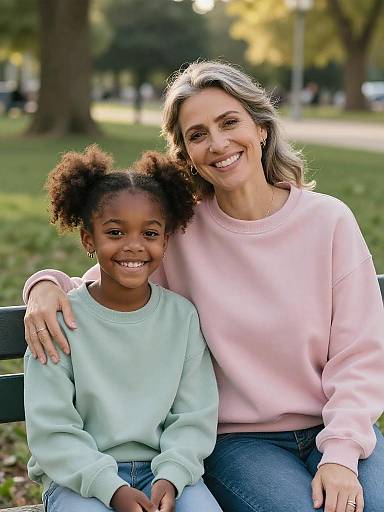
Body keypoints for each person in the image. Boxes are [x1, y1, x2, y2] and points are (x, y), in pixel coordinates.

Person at [23, 61, 384, 512]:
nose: (218, 144)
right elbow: (104, 283)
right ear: (186, 154)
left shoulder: (329, 221)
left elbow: (361, 354)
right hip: (238, 442)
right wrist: (42, 285)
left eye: (229, 123)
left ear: (261, 128)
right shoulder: (181, 233)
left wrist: (342, 456)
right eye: (197, 134)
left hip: (337, 424)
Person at [23, 145, 222, 512]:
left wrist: (173, 474)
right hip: (78, 480)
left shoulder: (181, 318)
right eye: (115, 233)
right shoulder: (60, 322)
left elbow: (194, 415)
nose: (133, 246)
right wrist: (110, 488)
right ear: (88, 239)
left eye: (149, 233)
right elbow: (52, 431)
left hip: (162, 472)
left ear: (165, 239)